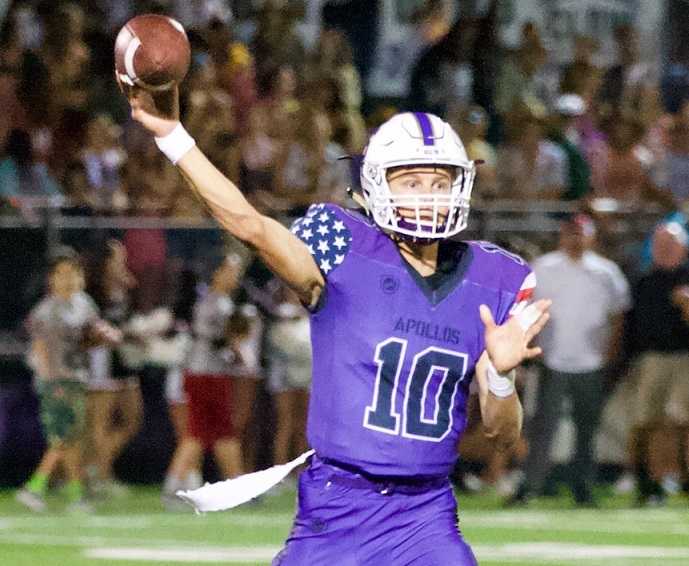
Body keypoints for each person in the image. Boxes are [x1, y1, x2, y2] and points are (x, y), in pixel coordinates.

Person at [123, 78, 550, 565]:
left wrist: (499, 376)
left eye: (440, 182)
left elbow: (504, 433)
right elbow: (250, 225)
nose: (429, 195)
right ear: (375, 186)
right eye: (411, 182)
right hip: (336, 509)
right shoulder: (344, 245)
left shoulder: (494, 281)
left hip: (425, 518)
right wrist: (173, 135)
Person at [509, 214, 630, 506]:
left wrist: (610, 353)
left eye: (580, 234)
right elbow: (526, 309)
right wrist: (532, 346)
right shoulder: (544, 268)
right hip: (552, 358)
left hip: (591, 360)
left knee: (587, 429)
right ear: (562, 236)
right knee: (543, 426)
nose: (575, 239)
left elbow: (618, 315)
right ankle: (532, 485)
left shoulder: (606, 272)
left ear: (590, 237)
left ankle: (583, 488)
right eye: (570, 233)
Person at [16, 250, 120, 512]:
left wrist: (107, 335)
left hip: (77, 377)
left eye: (74, 273)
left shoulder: (83, 303)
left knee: (72, 440)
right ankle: (34, 487)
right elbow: (40, 349)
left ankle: (76, 495)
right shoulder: (46, 311)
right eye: (62, 274)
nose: (69, 279)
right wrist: (50, 381)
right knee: (62, 438)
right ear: (51, 278)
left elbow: (94, 333)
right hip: (57, 380)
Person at [626, 222, 689, 505]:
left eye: (671, 244)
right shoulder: (643, 281)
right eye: (660, 244)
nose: (664, 249)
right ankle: (646, 482)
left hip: (684, 356)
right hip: (650, 358)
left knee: (678, 420)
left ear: (683, 248)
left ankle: (679, 479)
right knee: (644, 421)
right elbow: (632, 326)